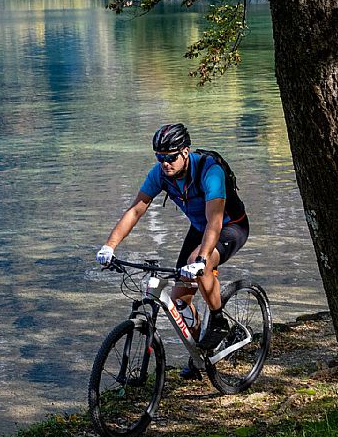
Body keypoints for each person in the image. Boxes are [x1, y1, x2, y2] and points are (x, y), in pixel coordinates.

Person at [96, 124, 249, 379]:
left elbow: (215, 221)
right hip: (200, 228)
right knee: (180, 300)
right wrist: (109, 246)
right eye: (159, 157)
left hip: (229, 226)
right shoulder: (159, 174)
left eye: (170, 157)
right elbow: (135, 210)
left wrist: (201, 260)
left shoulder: (210, 171)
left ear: (185, 152)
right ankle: (200, 356)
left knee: (197, 265)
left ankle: (219, 320)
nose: (165, 163)